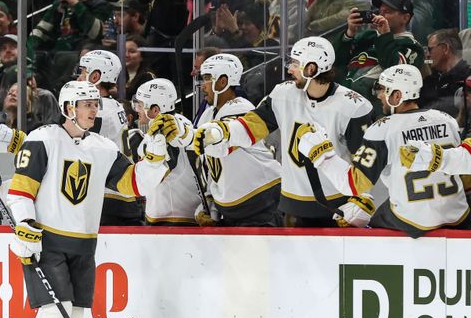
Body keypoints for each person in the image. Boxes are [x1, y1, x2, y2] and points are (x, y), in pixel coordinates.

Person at [6, 80, 169, 318]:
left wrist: (154, 159)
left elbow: (133, 185)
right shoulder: (43, 139)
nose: (95, 110)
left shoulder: (103, 147)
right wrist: (24, 225)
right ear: (69, 108)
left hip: (84, 244)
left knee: (76, 313)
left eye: (96, 104)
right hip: (46, 241)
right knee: (56, 309)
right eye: (88, 104)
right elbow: (20, 190)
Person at [194, 36, 374, 227]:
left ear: (311, 68)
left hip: (338, 208)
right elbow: (252, 127)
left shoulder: (352, 106)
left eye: (295, 63)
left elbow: (364, 160)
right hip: (292, 207)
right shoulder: (282, 95)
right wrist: (222, 133)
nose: (289, 69)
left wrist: (363, 197)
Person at [299, 64, 470, 238]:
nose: (380, 95)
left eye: (384, 90)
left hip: (413, 222)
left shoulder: (383, 129)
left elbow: (353, 183)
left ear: (397, 95)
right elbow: (464, 175)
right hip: (458, 216)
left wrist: (320, 153)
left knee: (355, 215)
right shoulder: (447, 120)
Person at [190, 53, 281, 227]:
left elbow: (220, 146)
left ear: (223, 82)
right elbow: (210, 163)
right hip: (234, 208)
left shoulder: (241, 108)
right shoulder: (208, 114)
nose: (202, 86)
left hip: (260, 202)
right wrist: (211, 202)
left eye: (207, 79)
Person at [76, 49, 140, 226]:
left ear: (95, 77)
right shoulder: (114, 106)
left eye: (83, 72)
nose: (78, 78)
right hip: (119, 195)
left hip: (109, 198)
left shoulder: (99, 110)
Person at [335, 0, 424, 115]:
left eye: (388, 12)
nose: (381, 15)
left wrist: (385, 35)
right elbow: (338, 60)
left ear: (405, 18)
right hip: (343, 105)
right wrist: (349, 32)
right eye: (380, 11)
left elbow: (395, 69)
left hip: (376, 111)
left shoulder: (412, 46)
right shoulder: (368, 36)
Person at [132, 78, 198, 226]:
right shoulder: (181, 122)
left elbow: (157, 173)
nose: (137, 110)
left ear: (155, 110)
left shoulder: (163, 130)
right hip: (181, 211)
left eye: (140, 105)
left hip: (171, 217)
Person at [420, 29, 470, 116]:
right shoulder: (429, 81)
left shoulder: (467, 80)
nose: (427, 55)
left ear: (445, 48)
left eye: (430, 49)